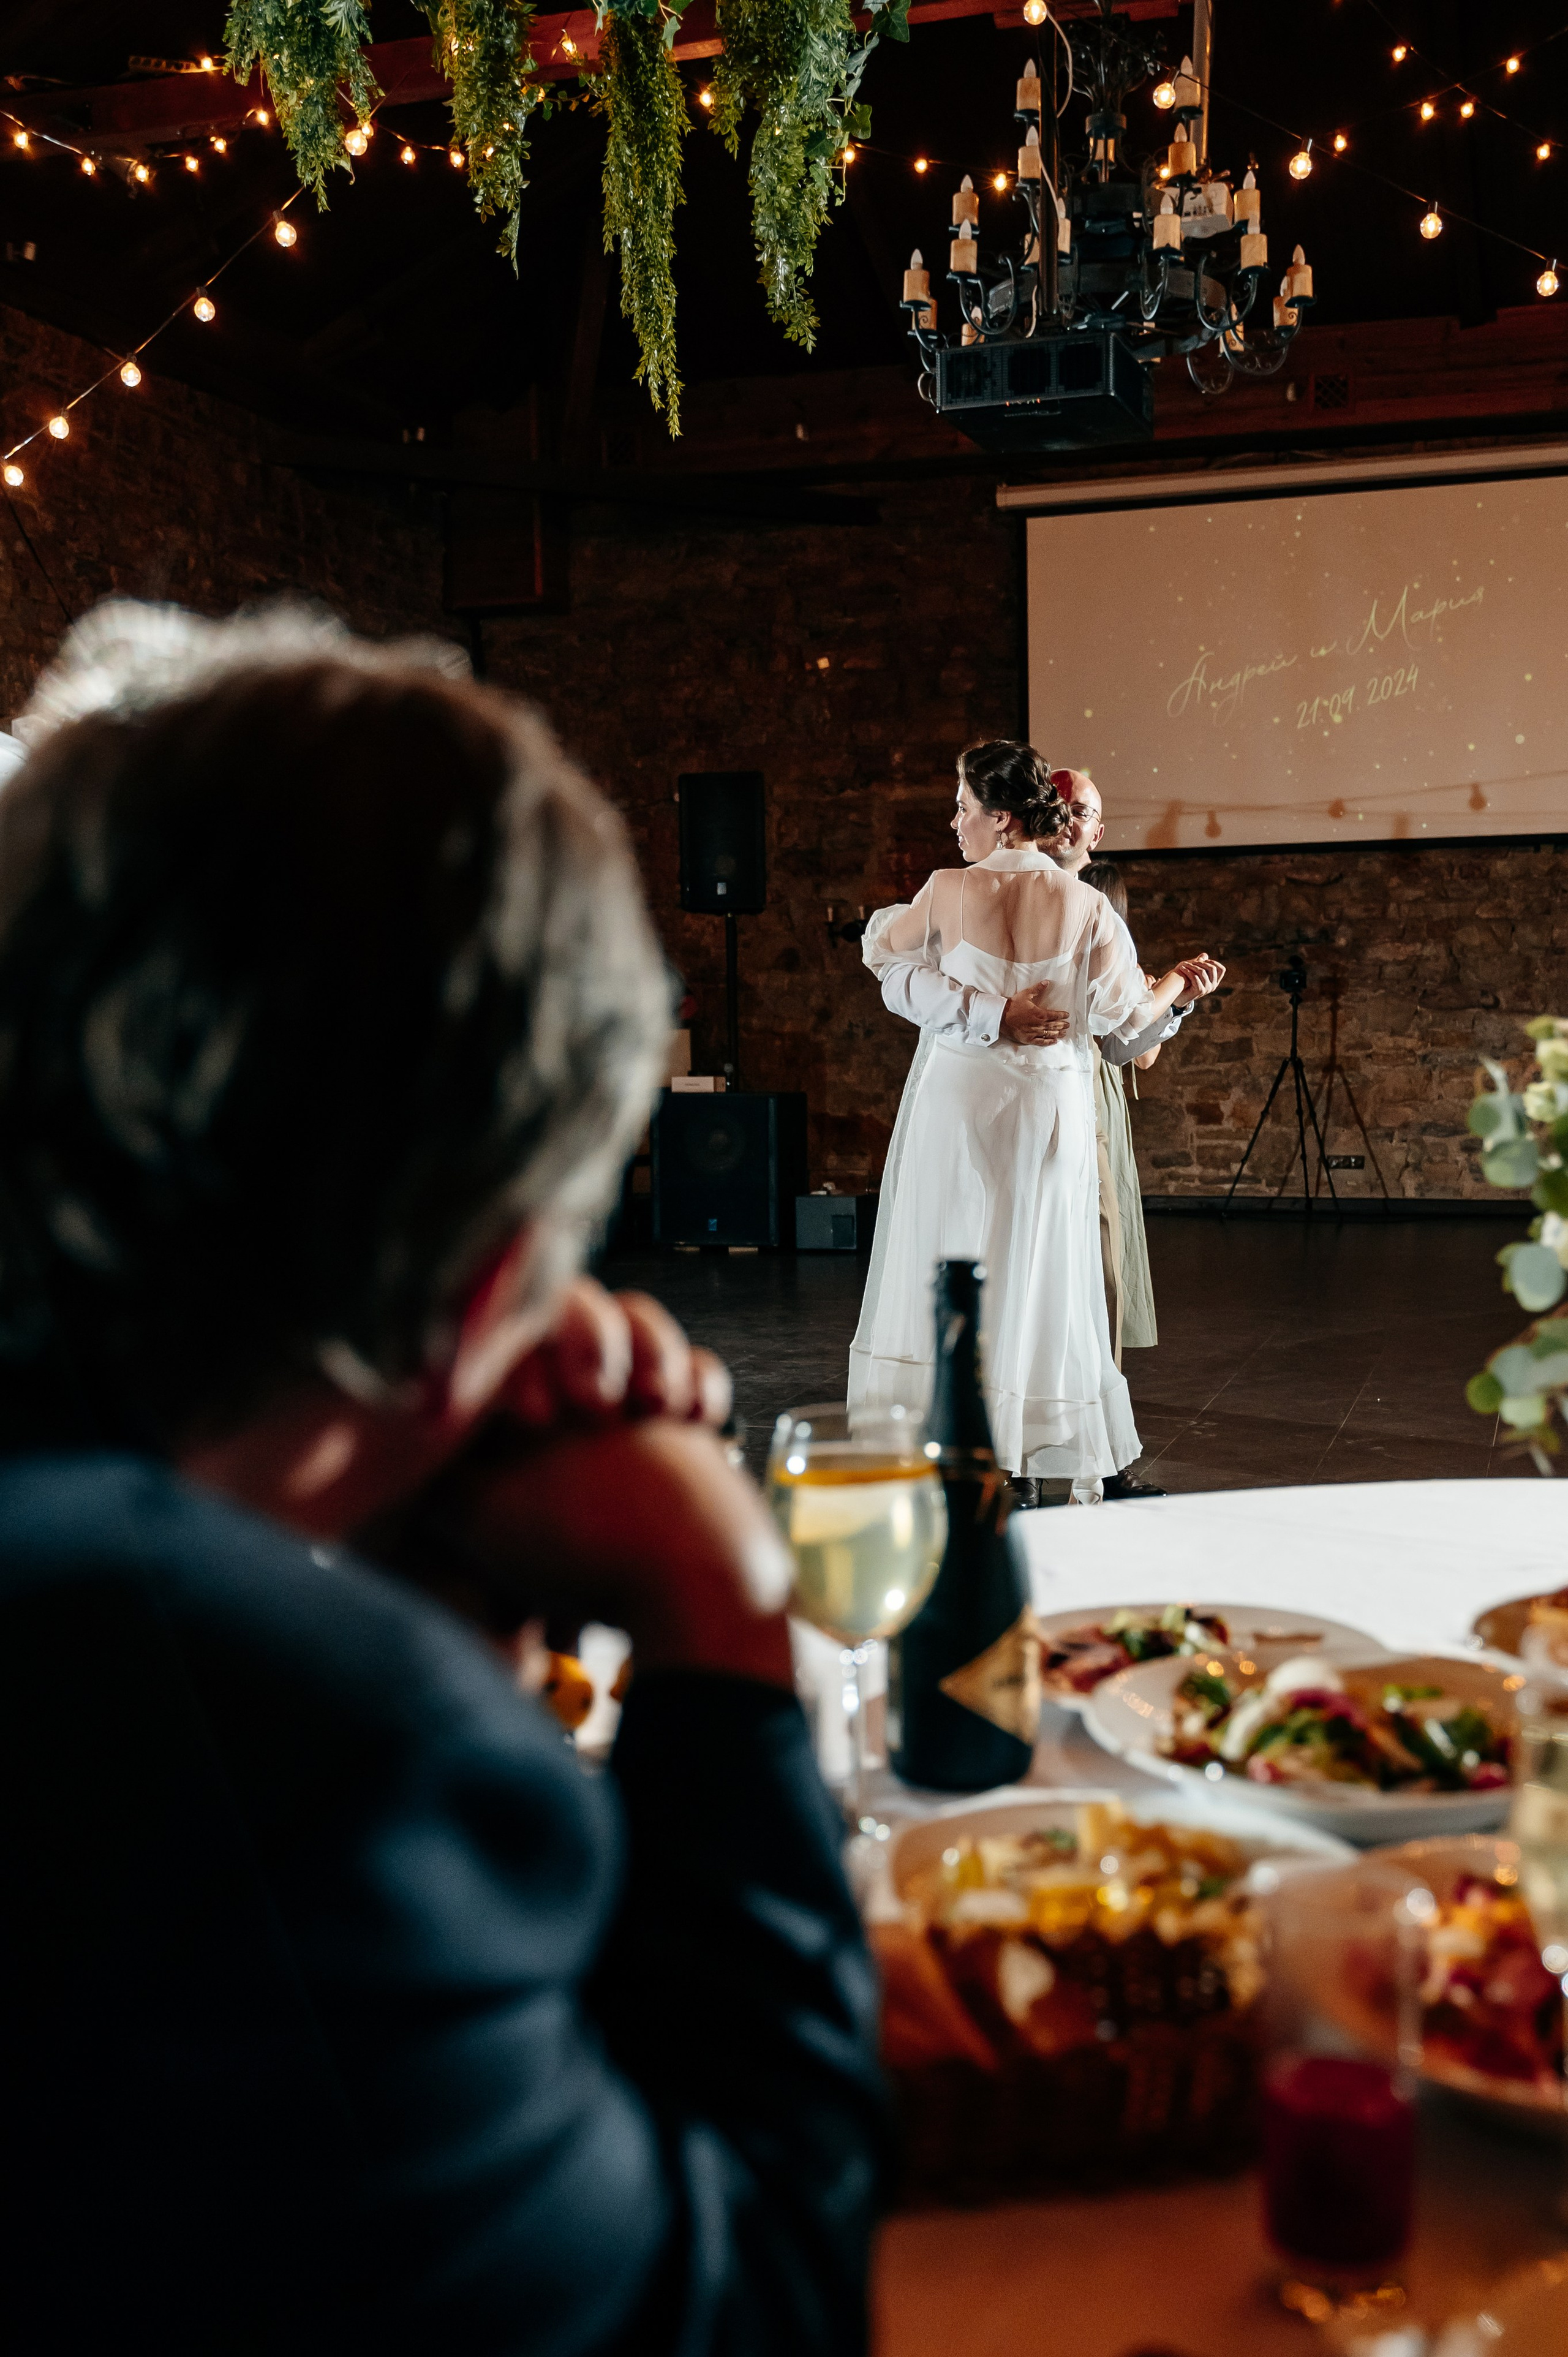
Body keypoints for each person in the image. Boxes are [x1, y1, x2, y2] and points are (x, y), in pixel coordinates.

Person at [0, 600, 885, 2355]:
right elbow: (750, 2310)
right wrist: (718, 1617)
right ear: (492, 1286)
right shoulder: (316, 1765)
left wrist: (413, 1594)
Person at [848, 740, 1220, 1506]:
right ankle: (1010, 1449)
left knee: (959, 1263)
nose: (954, 824)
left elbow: (885, 958)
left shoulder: (947, 891)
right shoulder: (1086, 907)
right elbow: (1124, 1025)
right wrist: (1176, 988)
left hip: (959, 1101)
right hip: (1047, 1106)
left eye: (962, 808)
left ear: (1002, 817)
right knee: (1040, 1272)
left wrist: (980, 1013)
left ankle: (981, 1451)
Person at [1082, 857, 1162, 1362]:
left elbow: (1144, 1055)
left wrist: (1155, 1002)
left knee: (1106, 1220)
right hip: (1087, 1087)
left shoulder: (1121, 962)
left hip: (1101, 1087)